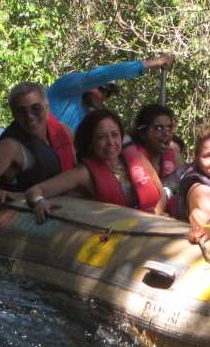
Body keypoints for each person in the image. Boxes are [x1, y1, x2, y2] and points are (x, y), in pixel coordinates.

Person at [23, 109, 166, 222]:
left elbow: (160, 193)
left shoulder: (137, 158)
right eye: (101, 137)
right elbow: (34, 191)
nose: (110, 142)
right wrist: (39, 202)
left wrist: (156, 219)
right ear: (90, 143)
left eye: (114, 135)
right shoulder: (83, 173)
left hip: (151, 230)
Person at [0, 82, 75, 204]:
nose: (29, 116)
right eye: (21, 111)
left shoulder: (64, 132)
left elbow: (78, 170)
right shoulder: (9, 147)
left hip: (71, 208)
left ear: (47, 107)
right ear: (14, 115)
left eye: (36, 108)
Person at [47, 54, 175, 134]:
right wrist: (153, 63)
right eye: (102, 89)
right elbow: (104, 74)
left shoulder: (89, 117)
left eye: (109, 94)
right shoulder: (66, 87)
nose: (103, 97)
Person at [129, 103, 181, 179]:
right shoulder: (129, 163)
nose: (166, 133)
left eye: (169, 128)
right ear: (142, 133)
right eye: (159, 128)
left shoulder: (176, 159)